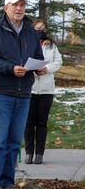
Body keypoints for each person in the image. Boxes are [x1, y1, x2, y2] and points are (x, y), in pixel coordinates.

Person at [0, 0, 46, 189]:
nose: (19, 9)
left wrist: (39, 68)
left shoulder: (31, 32)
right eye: (14, 5)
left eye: (22, 5)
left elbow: (37, 56)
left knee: (13, 144)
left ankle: (7, 184)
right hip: (1, 93)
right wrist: (10, 68)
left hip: (24, 94)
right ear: (5, 8)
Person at [24, 19, 63, 165]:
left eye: (43, 28)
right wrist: (30, 71)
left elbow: (58, 62)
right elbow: (22, 61)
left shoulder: (51, 46)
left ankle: (39, 154)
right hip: (30, 89)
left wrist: (46, 69)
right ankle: (29, 153)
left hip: (46, 90)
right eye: (37, 28)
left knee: (42, 122)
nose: (40, 30)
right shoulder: (26, 43)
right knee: (29, 122)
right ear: (32, 29)